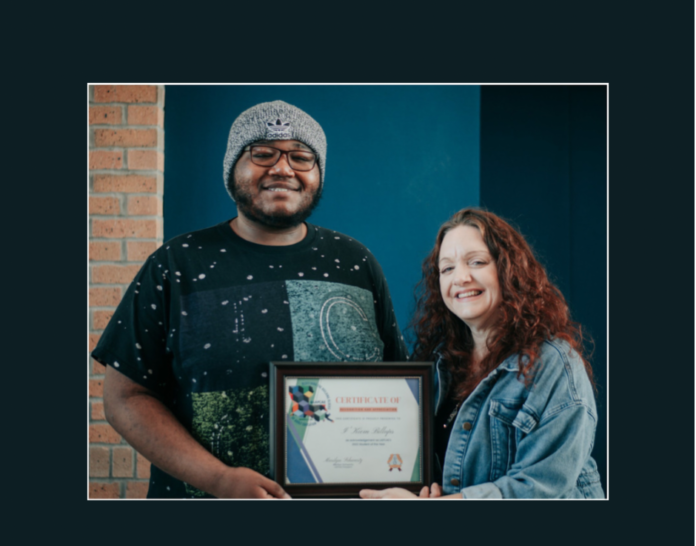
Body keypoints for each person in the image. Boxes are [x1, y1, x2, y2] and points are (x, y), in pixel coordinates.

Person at [92, 100, 408, 498]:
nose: (282, 168)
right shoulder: (175, 265)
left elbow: (396, 386)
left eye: (300, 156)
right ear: (232, 170)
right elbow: (125, 398)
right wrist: (218, 479)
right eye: (262, 154)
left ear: (318, 173)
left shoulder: (356, 262)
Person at [360, 208, 604, 499]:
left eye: (476, 262)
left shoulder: (554, 365)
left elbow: (541, 487)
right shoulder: (439, 365)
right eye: (447, 268)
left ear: (510, 269)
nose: (461, 277)